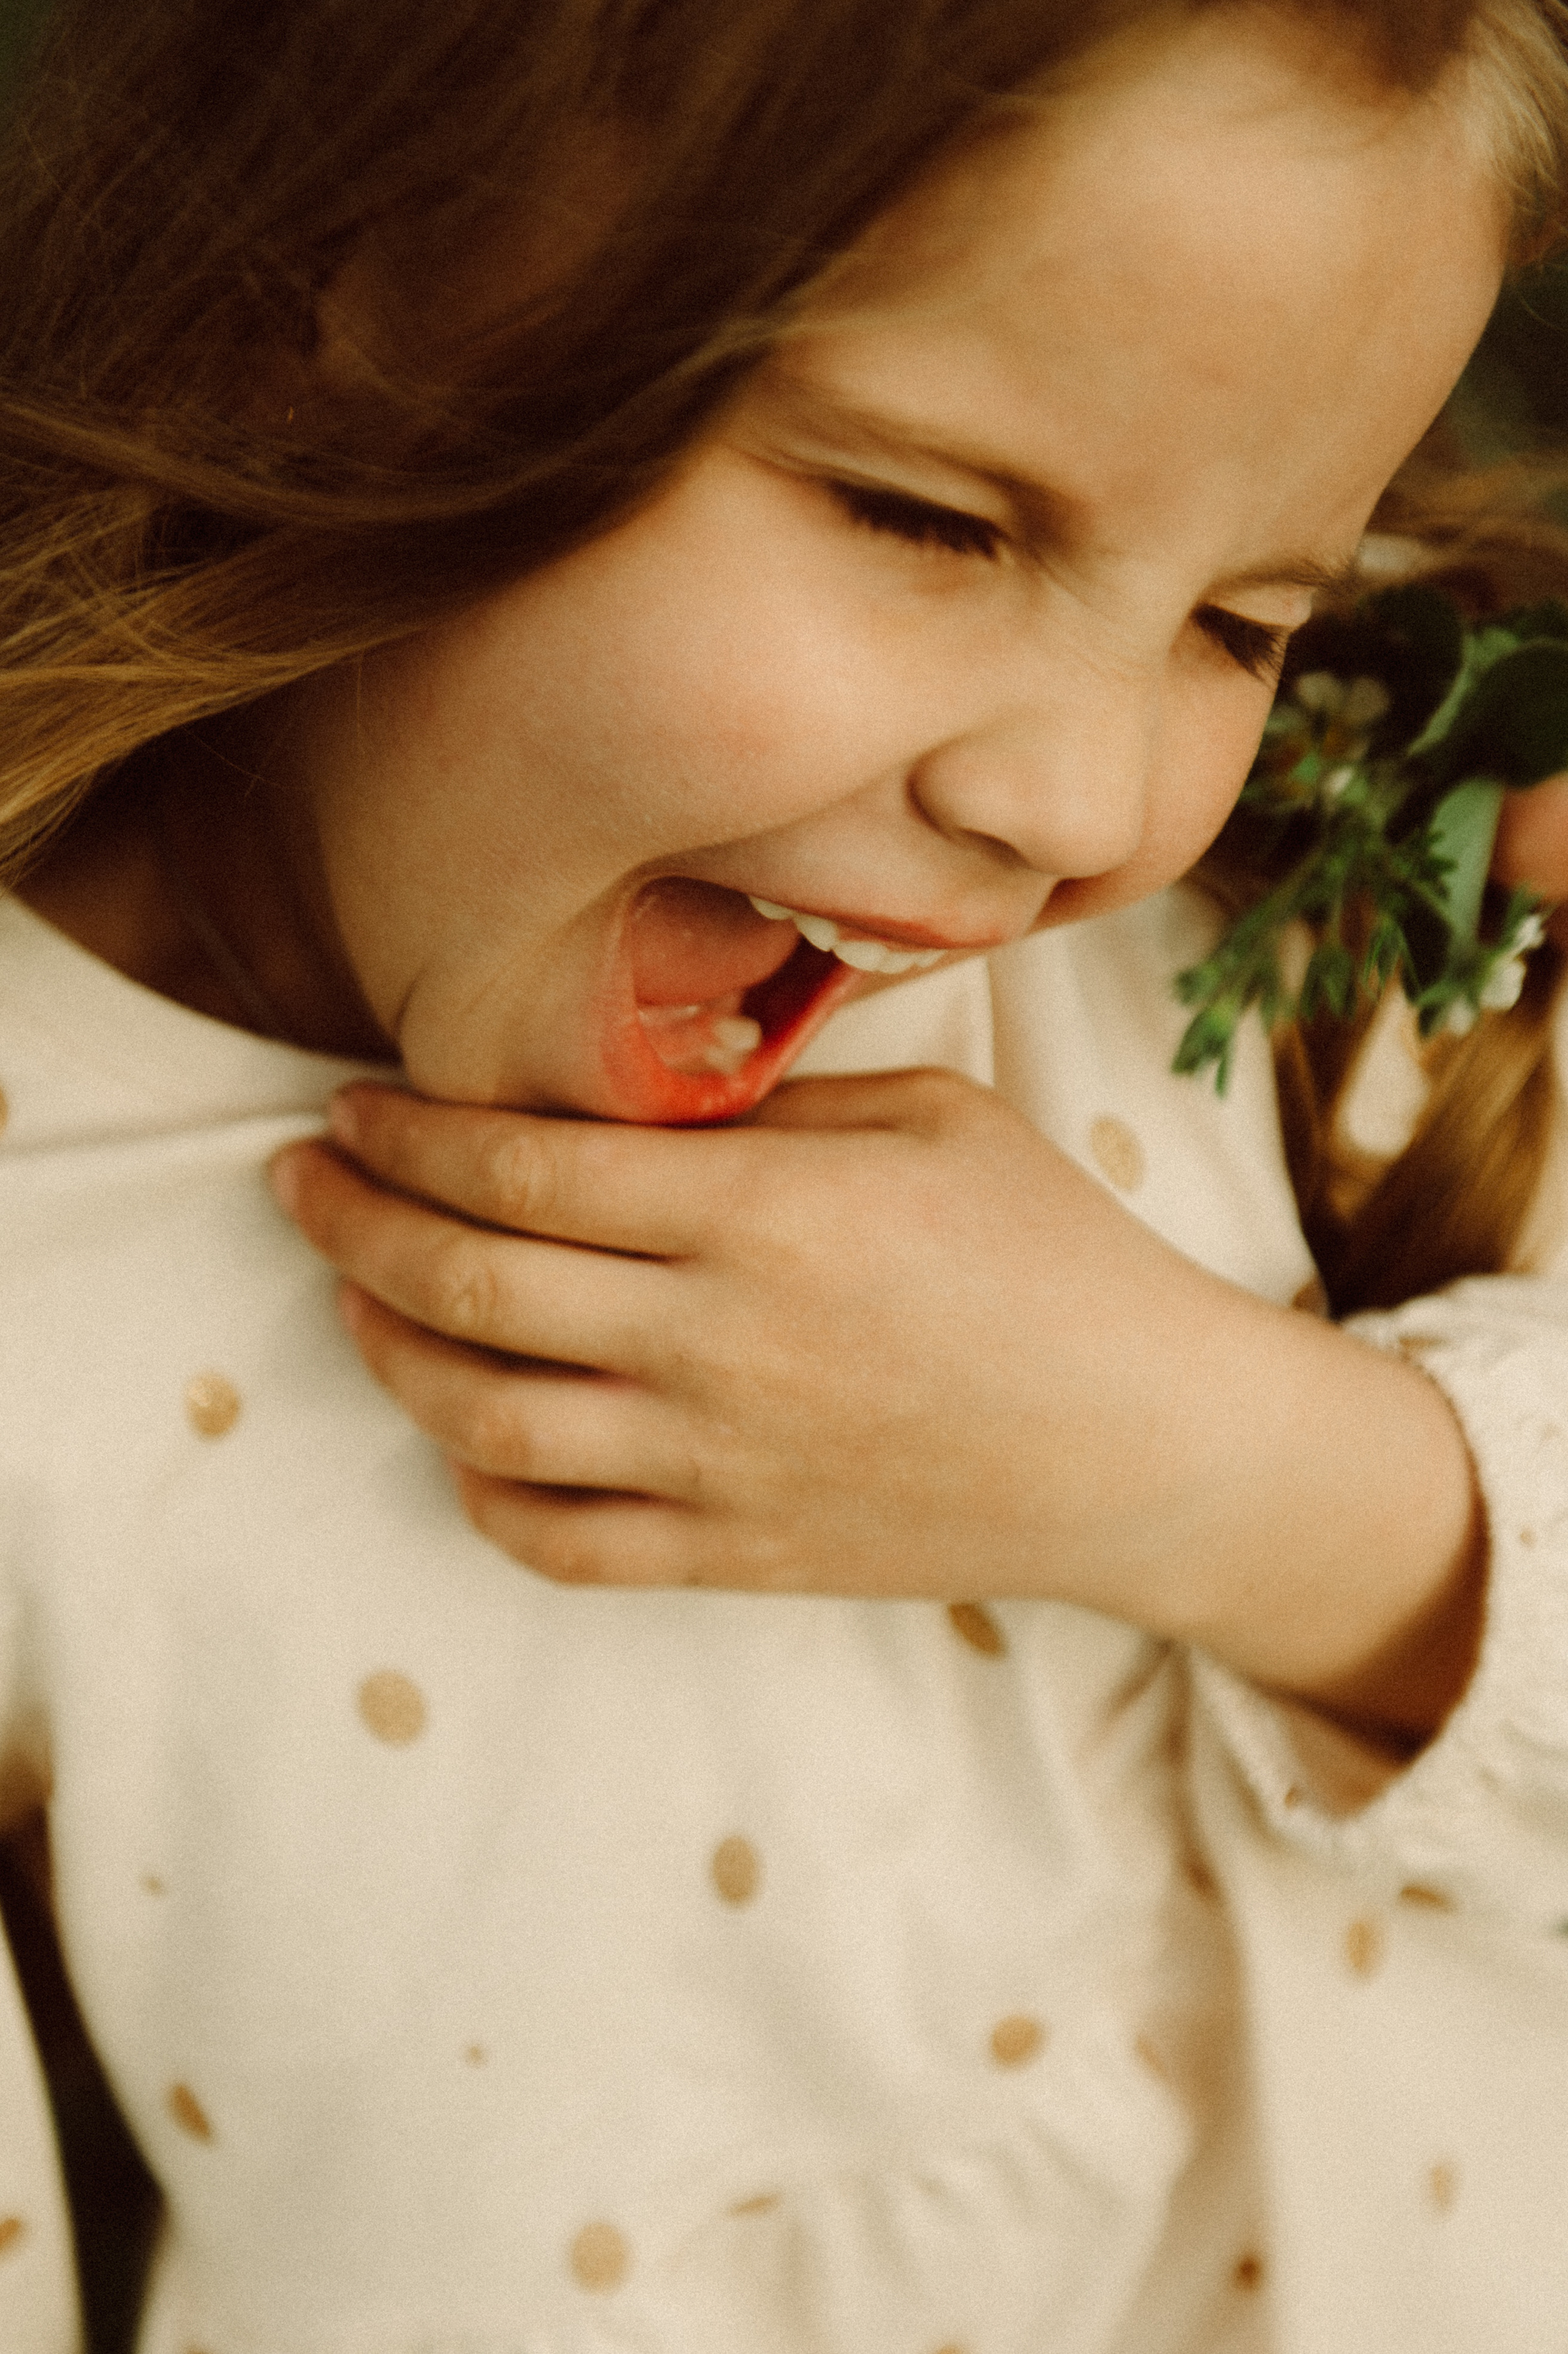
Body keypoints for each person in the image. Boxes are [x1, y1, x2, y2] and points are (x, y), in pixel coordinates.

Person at [2, 1, 1567, 2347]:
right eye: (930, 518)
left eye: (1244, 618)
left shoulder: (1285, 923)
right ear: (333, 295)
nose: (1084, 804)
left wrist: (1227, 1473)